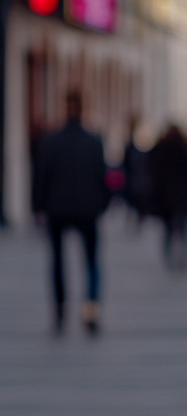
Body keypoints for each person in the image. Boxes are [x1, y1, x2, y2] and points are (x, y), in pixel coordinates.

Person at [33, 90, 109, 333]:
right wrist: (102, 204)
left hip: (58, 209)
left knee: (57, 261)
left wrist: (38, 206)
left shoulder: (50, 140)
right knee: (91, 260)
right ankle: (91, 306)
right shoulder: (94, 140)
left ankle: (60, 308)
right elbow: (102, 177)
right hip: (88, 209)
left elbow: (41, 177)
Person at [147, 125, 187, 268]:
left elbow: (152, 173)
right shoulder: (185, 150)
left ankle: (169, 258)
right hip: (182, 197)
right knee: (184, 229)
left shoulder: (160, 150)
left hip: (166, 198)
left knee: (169, 230)